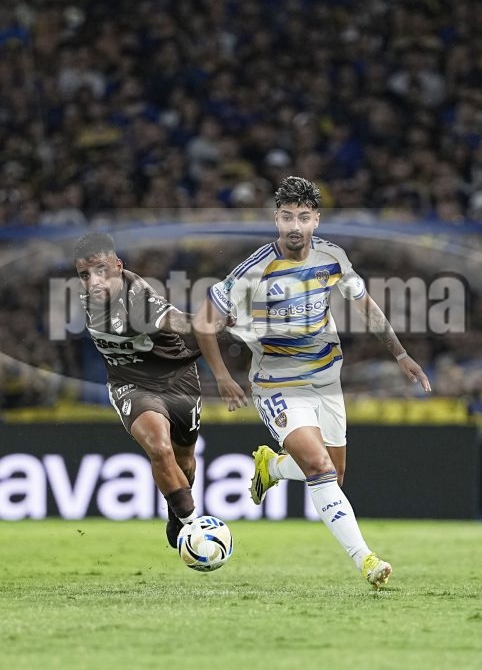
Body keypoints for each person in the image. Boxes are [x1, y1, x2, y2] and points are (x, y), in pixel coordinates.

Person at [193, 175, 431, 588]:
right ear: (276, 219)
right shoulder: (253, 271)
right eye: (287, 217)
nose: (295, 226)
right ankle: (367, 560)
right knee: (319, 467)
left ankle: (274, 467)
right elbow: (203, 321)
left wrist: (399, 353)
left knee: (334, 474)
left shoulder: (333, 257)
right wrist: (222, 375)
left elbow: (365, 305)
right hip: (277, 384)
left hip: (326, 380)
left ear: (316, 220)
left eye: (303, 217)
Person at [74, 232, 201, 548]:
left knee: (185, 458)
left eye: (101, 270)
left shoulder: (139, 299)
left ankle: (176, 513)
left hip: (176, 376)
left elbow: (179, 321)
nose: (93, 281)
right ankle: (194, 527)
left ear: (118, 266)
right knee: (159, 447)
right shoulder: (86, 295)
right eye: (85, 275)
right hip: (129, 382)